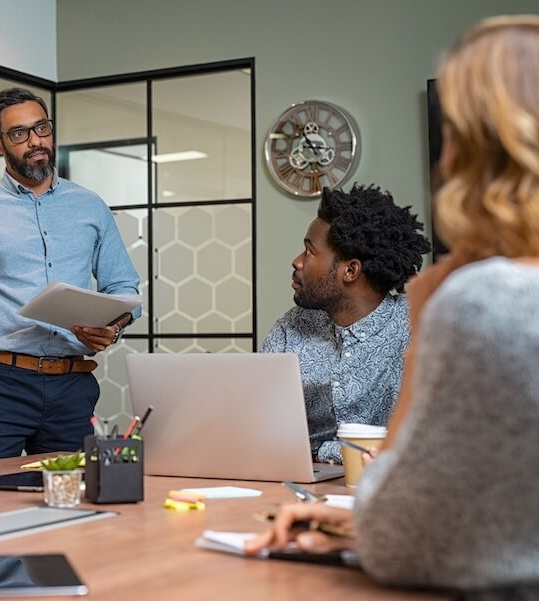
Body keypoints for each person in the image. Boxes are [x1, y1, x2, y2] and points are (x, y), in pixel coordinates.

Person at [247, 16, 539, 597]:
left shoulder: (483, 302)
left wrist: (430, 323)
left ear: (471, 148)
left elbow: (414, 534)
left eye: (452, 129)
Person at [0, 87, 140, 462]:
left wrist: (113, 326)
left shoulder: (91, 206)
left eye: (42, 129)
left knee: (76, 502)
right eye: (19, 134)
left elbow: (123, 287)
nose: (35, 142)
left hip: (73, 384)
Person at [260, 185, 431, 463]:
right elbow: (257, 425)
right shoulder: (290, 329)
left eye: (309, 252)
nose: (297, 262)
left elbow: (421, 443)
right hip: (297, 489)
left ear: (350, 271)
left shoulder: (418, 329)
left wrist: (320, 450)